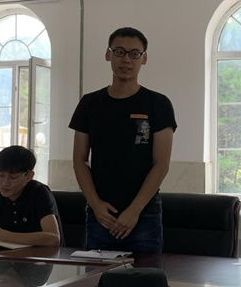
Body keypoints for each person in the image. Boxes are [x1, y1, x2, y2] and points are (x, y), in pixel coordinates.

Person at [69, 27, 176, 254]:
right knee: (97, 277)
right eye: (119, 52)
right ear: (108, 54)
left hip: (144, 215)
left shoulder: (158, 104)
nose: (126, 59)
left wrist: (134, 210)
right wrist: (96, 205)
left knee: (146, 276)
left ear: (144, 58)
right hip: (101, 215)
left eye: (134, 54)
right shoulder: (89, 103)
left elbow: (161, 164)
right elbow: (79, 160)